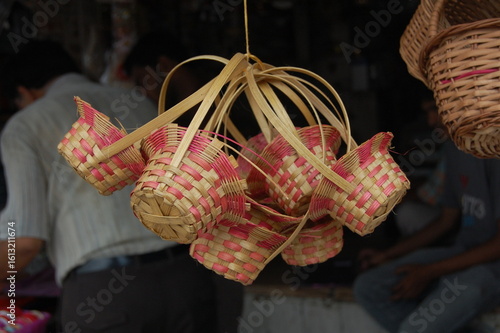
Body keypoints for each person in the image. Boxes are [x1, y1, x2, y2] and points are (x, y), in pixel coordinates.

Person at [0, 39, 219, 333]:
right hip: (185, 278)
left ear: (24, 92)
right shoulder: (138, 102)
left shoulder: (24, 125)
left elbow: (23, 241)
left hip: (105, 295)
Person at [123, 31, 245, 333]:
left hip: (236, 245)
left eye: (143, 82)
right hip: (208, 253)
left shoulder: (220, 109)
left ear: (164, 67)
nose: (143, 93)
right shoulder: (181, 118)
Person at [353, 131, 500, 332]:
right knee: (368, 288)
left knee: (414, 329)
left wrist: (429, 272)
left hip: (492, 269)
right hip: (463, 253)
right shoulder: (453, 149)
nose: (431, 121)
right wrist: (388, 254)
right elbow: (445, 221)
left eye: (435, 110)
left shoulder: (494, 152)